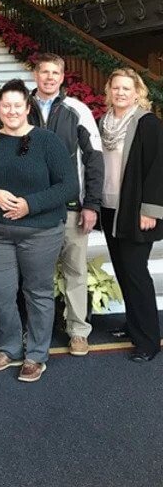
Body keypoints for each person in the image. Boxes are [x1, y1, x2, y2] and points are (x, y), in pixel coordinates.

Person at [0, 79, 78, 383]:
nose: (11, 111)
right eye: (5, 105)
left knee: (37, 292)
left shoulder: (47, 141)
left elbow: (68, 186)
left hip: (40, 231)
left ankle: (37, 355)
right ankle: (10, 347)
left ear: (27, 108)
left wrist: (31, 204)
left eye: (17, 105)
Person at [28, 53, 104, 357]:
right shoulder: (19, 106)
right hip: (32, 209)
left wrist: (92, 204)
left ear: (62, 77)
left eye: (55, 73)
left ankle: (77, 331)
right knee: (35, 275)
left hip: (71, 206)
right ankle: (38, 332)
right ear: (35, 74)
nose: (49, 77)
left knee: (75, 271)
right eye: (44, 72)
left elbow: (94, 159)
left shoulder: (77, 110)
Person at [99, 68, 163, 362]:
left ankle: (149, 339)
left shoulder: (148, 123)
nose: (121, 93)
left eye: (127, 88)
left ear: (138, 92)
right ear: (109, 91)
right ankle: (133, 325)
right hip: (110, 208)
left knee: (136, 273)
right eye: (116, 88)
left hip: (136, 211)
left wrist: (150, 209)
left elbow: (157, 169)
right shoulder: (105, 122)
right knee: (123, 271)